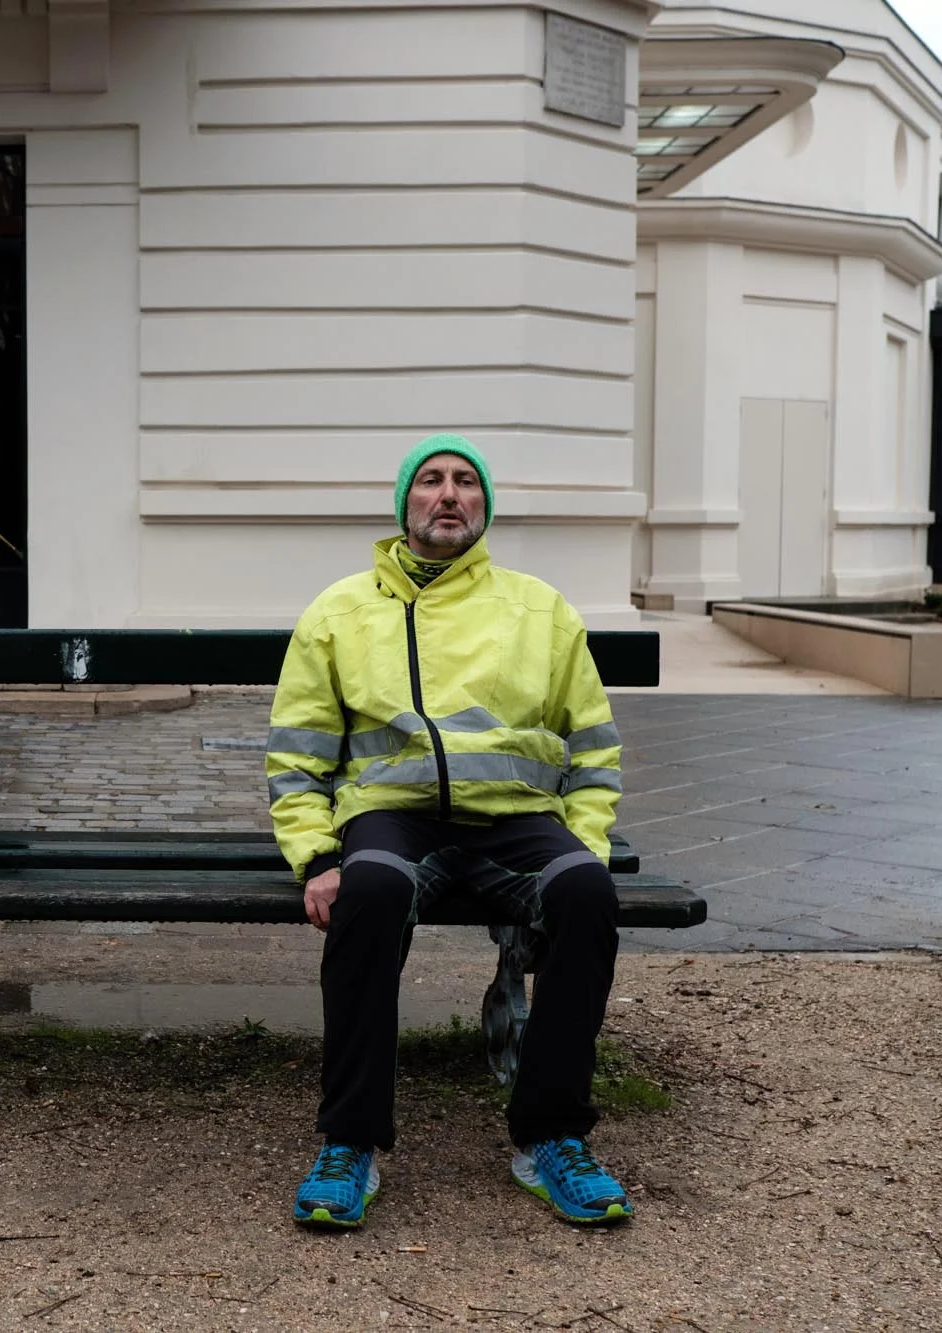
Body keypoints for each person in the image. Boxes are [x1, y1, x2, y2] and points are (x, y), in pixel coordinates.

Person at [266, 433, 632, 1229]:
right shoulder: (340, 609)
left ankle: (551, 1136)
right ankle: (349, 1143)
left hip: (516, 820)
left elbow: (595, 747)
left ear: (484, 506)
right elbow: (296, 756)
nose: (448, 494)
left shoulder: (539, 608)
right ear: (404, 505)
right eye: (429, 480)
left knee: (586, 892)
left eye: (466, 482)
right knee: (369, 889)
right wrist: (317, 854)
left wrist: (588, 839)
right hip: (393, 817)